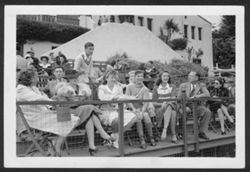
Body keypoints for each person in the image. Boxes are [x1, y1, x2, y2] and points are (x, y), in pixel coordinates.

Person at [16, 69, 113, 156]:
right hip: (39, 118)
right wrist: (54, 103)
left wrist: (51, 105)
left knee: (86, 112)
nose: (37, 79)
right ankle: (57, 145)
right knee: (81, 114)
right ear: (30, 79)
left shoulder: (33, 88)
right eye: (35, 77)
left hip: (48, 113)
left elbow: (44, 98)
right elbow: (40, 98)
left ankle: (57, 145)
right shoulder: (22, 90)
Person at [98, 70, 137, 148]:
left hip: (118, 109)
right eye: (111, 78)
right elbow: (102, 98)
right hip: (106, 110)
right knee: (117, 119)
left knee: (134, 117)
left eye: (115, 78)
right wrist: (115, 98)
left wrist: (133, 107)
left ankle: (113, 136)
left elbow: (123, 98)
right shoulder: (102, 87)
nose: (113, 79)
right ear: (106, 78)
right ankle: (116, 141)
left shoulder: (119, 88)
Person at [126, 70, 156, 149]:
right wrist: (133, 109)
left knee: (145, 115)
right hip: (131, 109)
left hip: (141, 108)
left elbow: (146, 102)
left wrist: (142, 111)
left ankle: (151, 137)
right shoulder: (129, 87)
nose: (140, 78)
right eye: (138, 76)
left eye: (141, 76)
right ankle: (141, 138)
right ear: (135, 77)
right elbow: (127, 100)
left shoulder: (145, 89)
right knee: (138, 117)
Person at [177, 71, 211, 140]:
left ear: (196, 78)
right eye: (189, 75)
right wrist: (182, 93)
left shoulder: (201, 85)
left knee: (207, 112)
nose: (189, 77)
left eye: (191, 76)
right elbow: (178, 98)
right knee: (185, 111)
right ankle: (181, 132)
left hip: (196, 106)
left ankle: (201, 132)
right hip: (184, 105)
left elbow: (207, 94)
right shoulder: (183, 85)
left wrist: (197, 96)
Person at [152, 71, 178, 143]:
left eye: (167, 76)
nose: (166, 77)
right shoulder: (156, 88)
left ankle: (165, 129)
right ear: (160, 77)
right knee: (173, 113)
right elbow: (154, 103)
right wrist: (161, 104)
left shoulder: (172, 86)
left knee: (170, 106)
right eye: (164, 76)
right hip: (160, 108)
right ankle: (173, 135)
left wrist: (165, 103)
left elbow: (173, 99)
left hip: (172, 106)